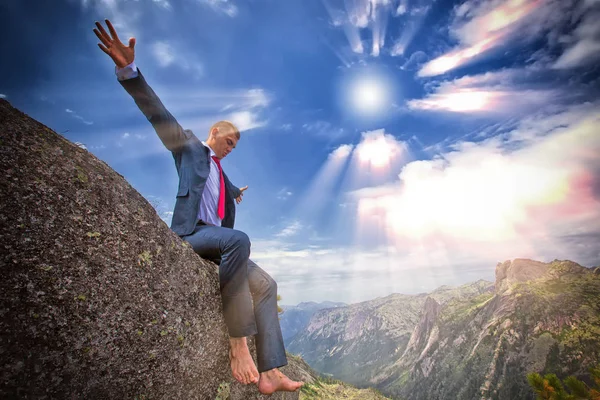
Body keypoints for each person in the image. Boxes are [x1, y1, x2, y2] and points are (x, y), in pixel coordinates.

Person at [93, 19, 303, 395]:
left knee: (267, 285)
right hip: (192, 235)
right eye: (229, 142)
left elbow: (220, 182)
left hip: (215, 243)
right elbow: (158, 114)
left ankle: (270, 373)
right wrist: (129, 71)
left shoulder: (221, 173)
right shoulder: (189, 149)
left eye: (236, 146)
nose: (231, 148)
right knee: (238, 239)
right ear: (215, 134)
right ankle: (238, 344)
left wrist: (235, 190)